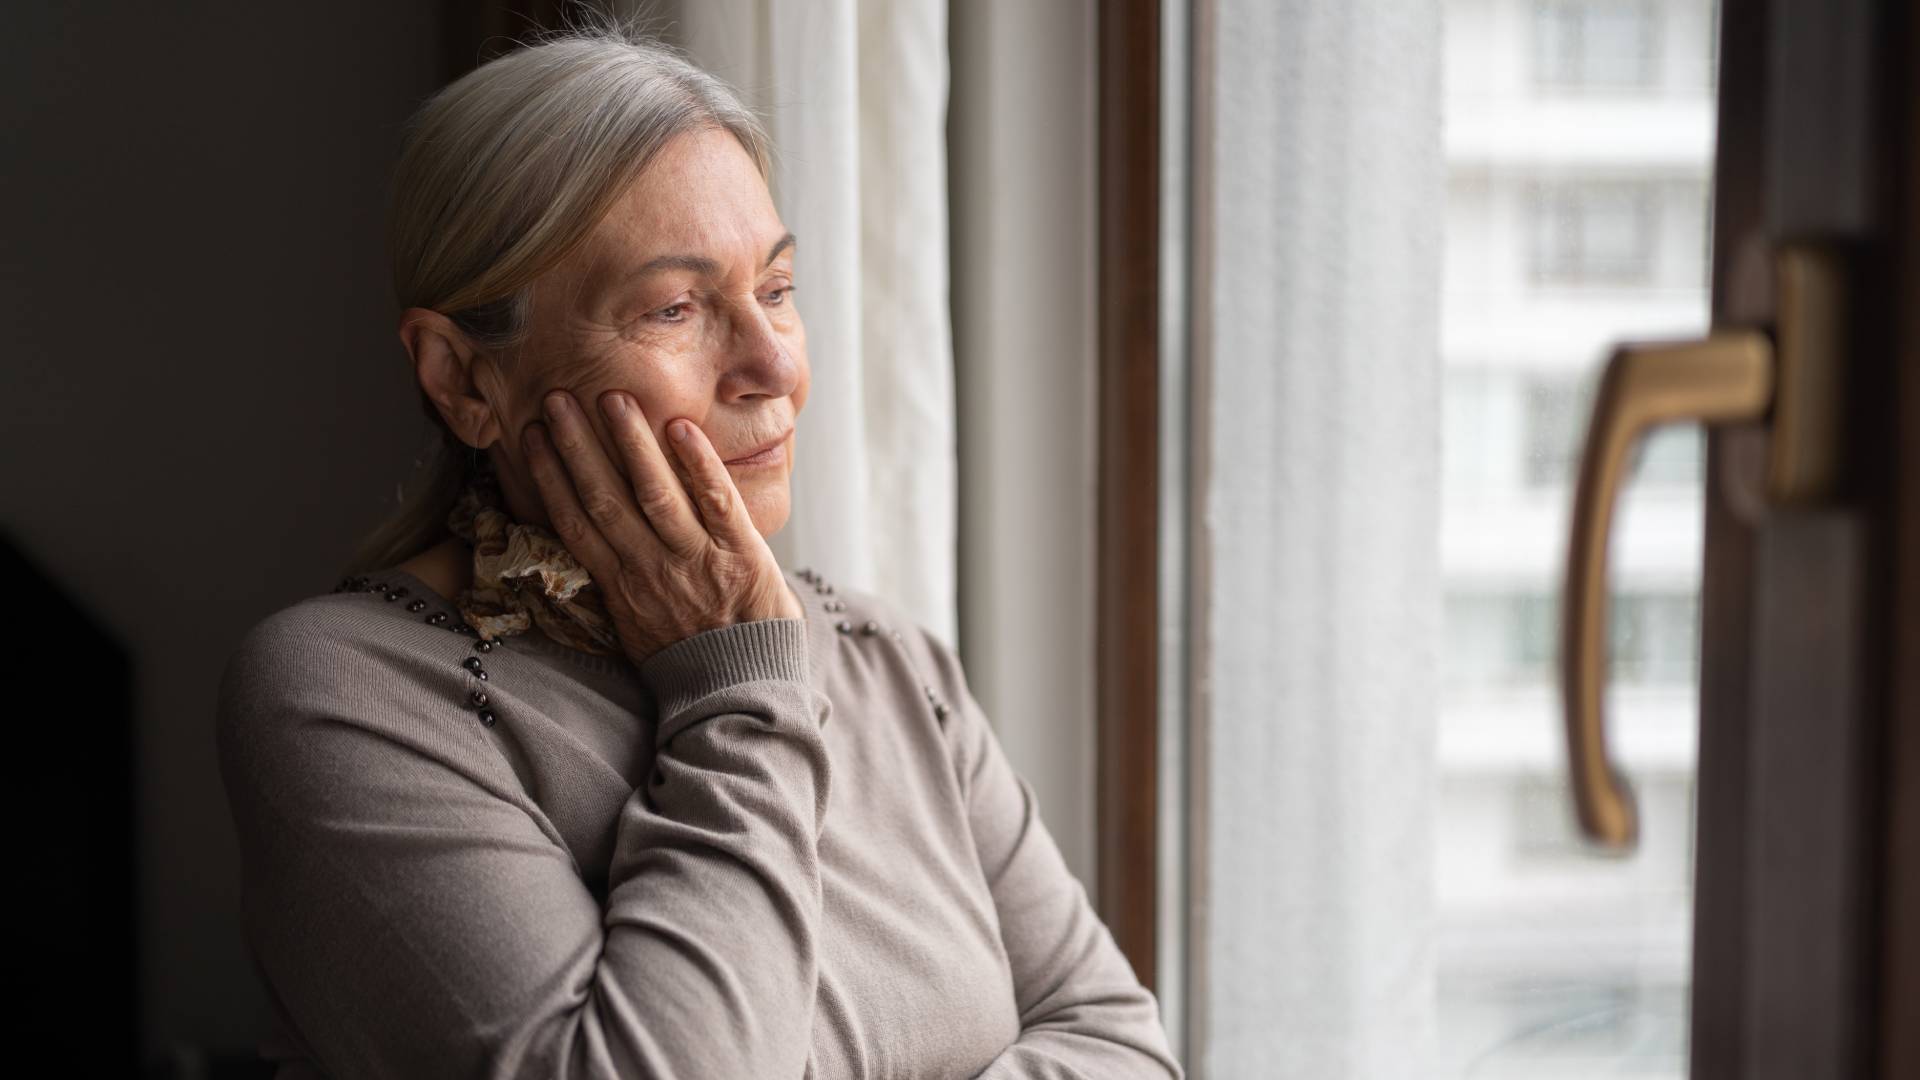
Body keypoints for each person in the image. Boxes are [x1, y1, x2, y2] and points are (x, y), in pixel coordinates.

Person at [213, 18, 1182, 1080]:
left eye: (777, 290)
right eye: (675, 308)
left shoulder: (886, 658)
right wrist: (735, 684)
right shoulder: (346, 694)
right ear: (462, 379)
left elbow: (1122, 1044)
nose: (775, 367)